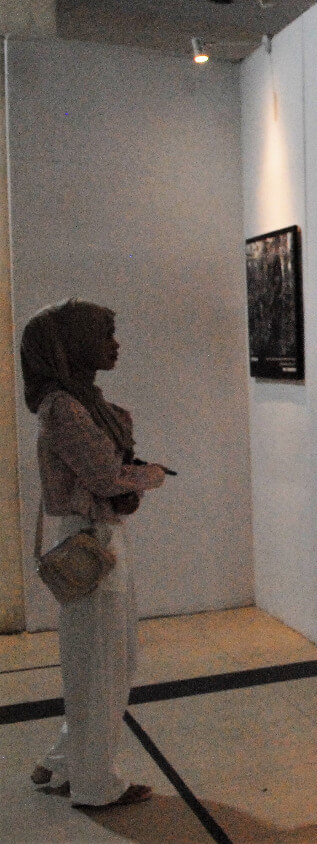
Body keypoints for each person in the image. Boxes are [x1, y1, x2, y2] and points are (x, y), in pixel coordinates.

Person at [21, 300, 168, 810]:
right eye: (105, 334)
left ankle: (65, 762)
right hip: (92, 541)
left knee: (102, 660)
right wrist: (149, 476)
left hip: (98, 537)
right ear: (73, 344)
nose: (115, 344)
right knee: (104, 665)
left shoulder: (80, 402)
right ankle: (94, 783)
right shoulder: (66, 407)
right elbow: (105, 478)